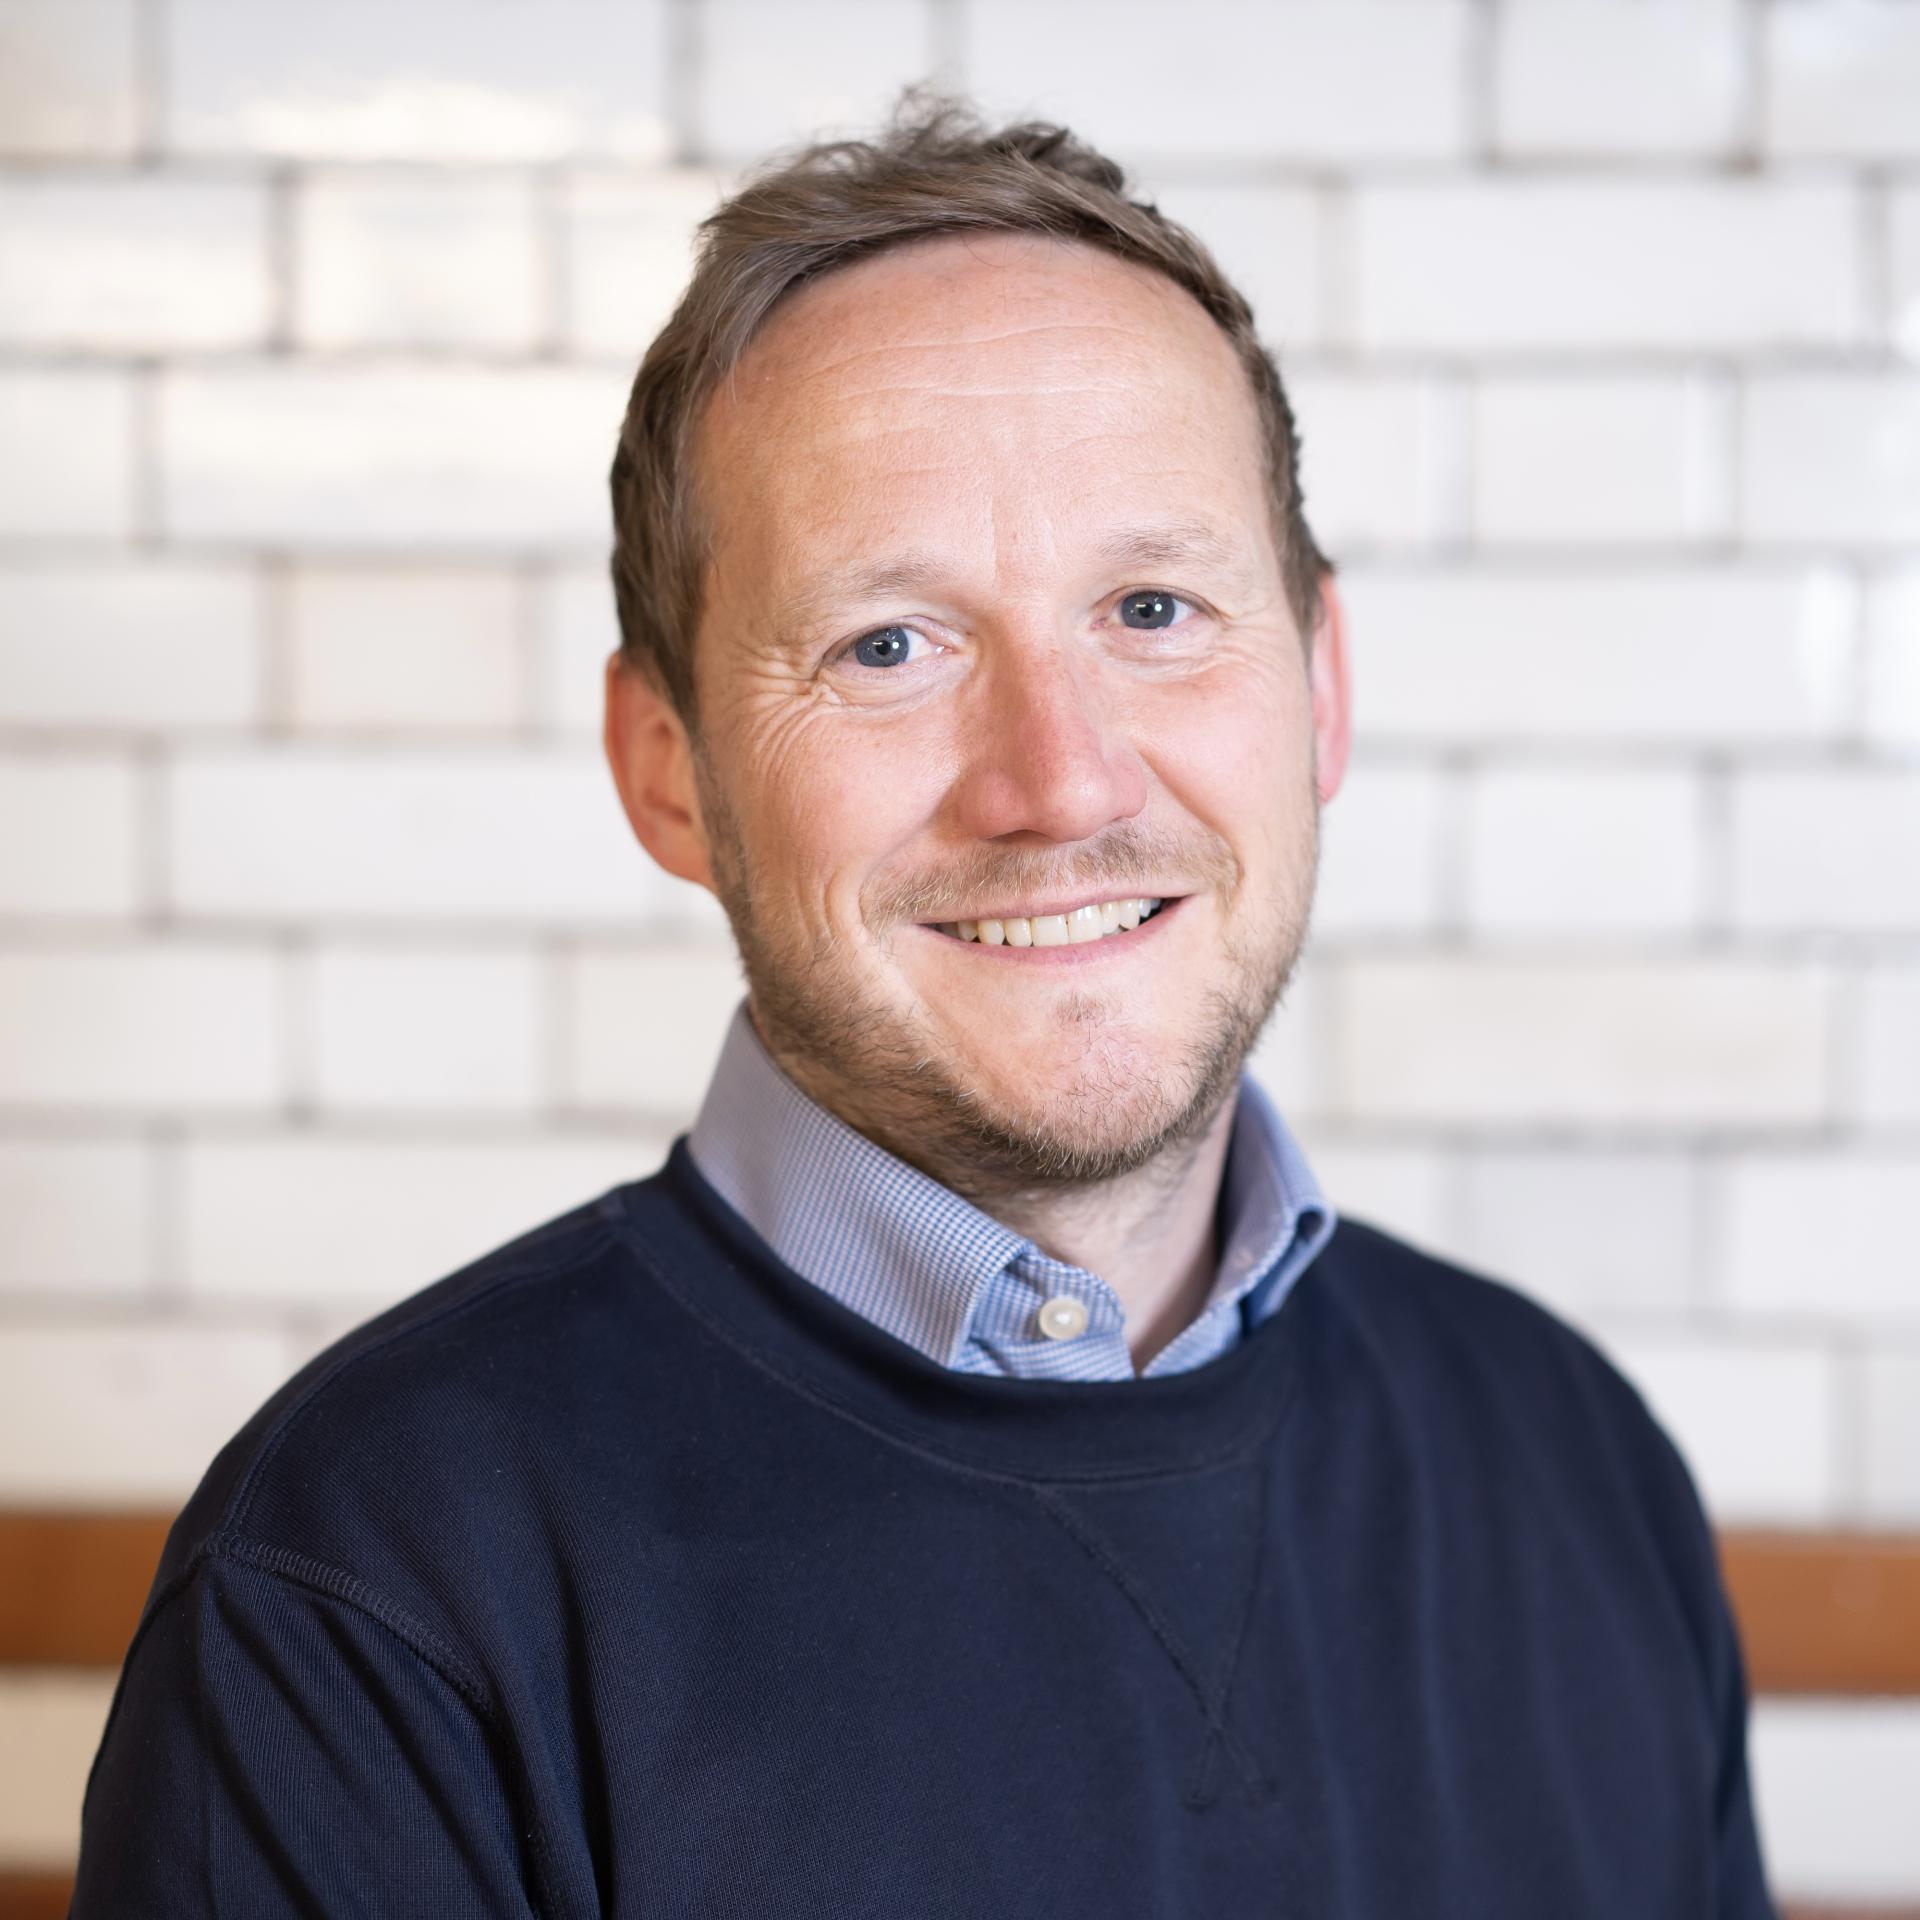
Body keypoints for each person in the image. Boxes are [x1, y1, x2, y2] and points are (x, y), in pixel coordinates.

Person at [69, 90, 1777, 1917]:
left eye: (1153, 606)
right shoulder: (369, 1589)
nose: (1059, 779)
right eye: (890, 646)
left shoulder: (1570, 1461)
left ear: (1322, 687)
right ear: (667, 769)